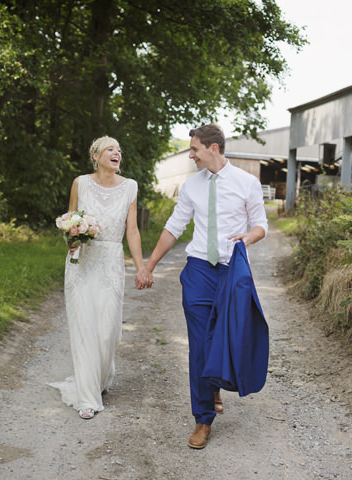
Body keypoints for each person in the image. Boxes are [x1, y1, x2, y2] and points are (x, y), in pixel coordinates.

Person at [135, 124, 268, 448]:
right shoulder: (192, 186)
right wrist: (148, 265)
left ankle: (214, 384)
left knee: (224, 338)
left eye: (194, 149)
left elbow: (261, 224)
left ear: (213, 148)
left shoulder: (246, 183)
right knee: (199, 345)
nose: (190, 155)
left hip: (230, 272)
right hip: (198, 271)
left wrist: (248, 237)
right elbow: (174, 227)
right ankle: (203, 419)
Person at [50, 136, 144, 420]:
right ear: (96, 155)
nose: (117, 153)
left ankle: (99, 379)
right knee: (85, 327)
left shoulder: (130, 187)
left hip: (111, 263)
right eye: (110, 149)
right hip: (82, 263)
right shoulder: (80, 182)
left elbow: (132, 231)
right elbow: (71, 220)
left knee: (106, 331)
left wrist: (142, 268)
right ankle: (88, 398)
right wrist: (71, 240)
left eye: (119, 149)